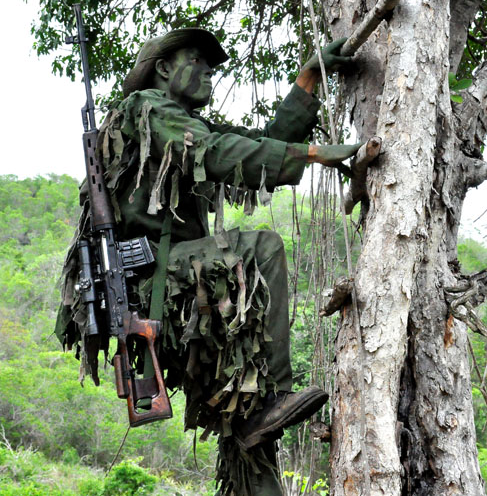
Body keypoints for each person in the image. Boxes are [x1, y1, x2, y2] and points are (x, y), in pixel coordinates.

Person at [56, 28, 362, 494]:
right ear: (163, 68)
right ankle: (276, 393)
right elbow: (216, 154)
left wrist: (306, 83)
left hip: (179, 295)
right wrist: (312, 153)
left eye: (212, 68)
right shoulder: (149, 109)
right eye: (197, 61)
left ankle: (258, 431)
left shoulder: (182, 122)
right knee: (262, 249)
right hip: (153, 291)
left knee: (247, 426)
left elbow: (258, 145)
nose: (209, 74)